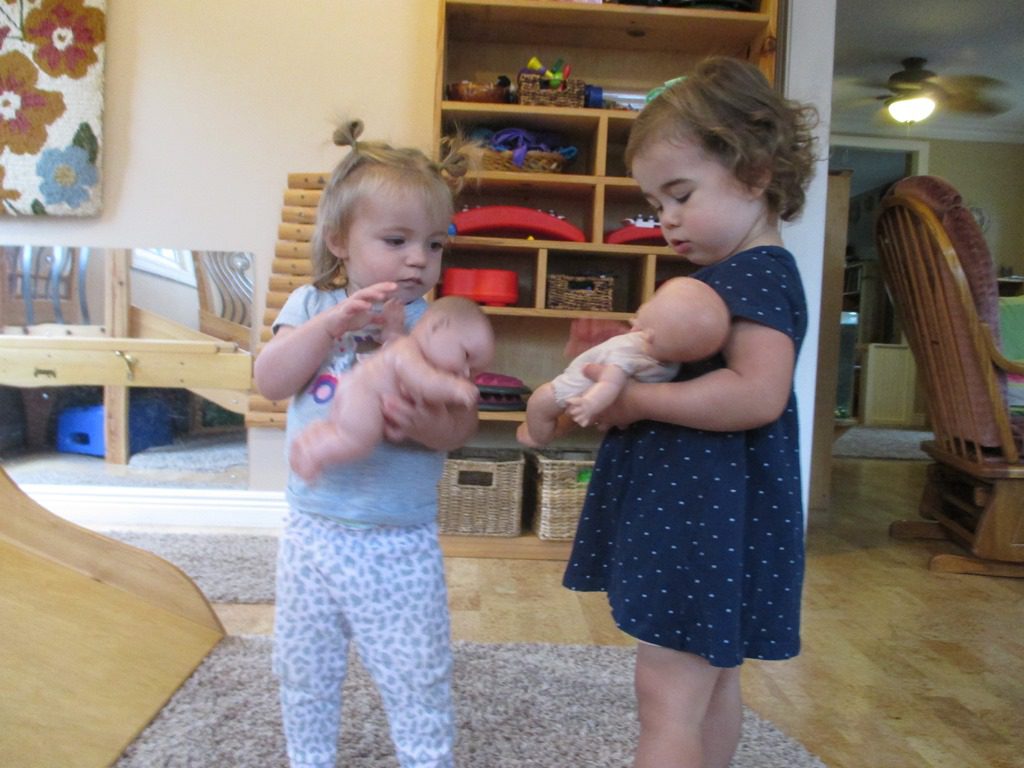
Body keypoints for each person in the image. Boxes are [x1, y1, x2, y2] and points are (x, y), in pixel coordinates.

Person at [559, 56, 818, 768]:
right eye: (654, 203)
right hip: (713, 521)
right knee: (710, 683)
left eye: (680, 195)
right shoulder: (739, 277)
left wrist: (637, 399)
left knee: (667, 701)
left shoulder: (753, 276)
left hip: (700, 523)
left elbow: (757, 393)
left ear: (755, 172)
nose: (665, 219)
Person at [253, 119, 481, 768]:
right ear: (339, 242)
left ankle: (425, 756)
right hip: (313, 531)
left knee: (417, 674)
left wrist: (417, 420)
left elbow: (457, 428)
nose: (419, 260)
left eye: (434, 244)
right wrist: (330, 326)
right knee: (303, 668)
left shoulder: (436, 326)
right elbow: (270, 381)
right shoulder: (310, 305)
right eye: (396, 240)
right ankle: (309, 758)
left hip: (398, 540)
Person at [290, 295, 494, 481]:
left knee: (342, 430)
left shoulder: (400, 343)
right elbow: (423, 382)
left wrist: (392, 326)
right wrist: (454, 389)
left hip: (352, 391)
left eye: (474, 371)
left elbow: (391, 338)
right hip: (364, 397)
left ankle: (318, 433)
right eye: (466, 356)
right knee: (356, 441)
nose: (465, 373)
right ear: (437, 326)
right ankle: (313, 453)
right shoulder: (408, 351)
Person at [515, 277, 729, 447]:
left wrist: (590, 403)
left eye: (654, 301)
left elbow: (610, 382)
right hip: (618, 406)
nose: (647, 302)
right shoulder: (668, 362)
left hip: (579, 391)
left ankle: (538, 437)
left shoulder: (626, 355)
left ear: (650, 334)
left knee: (540, 399)